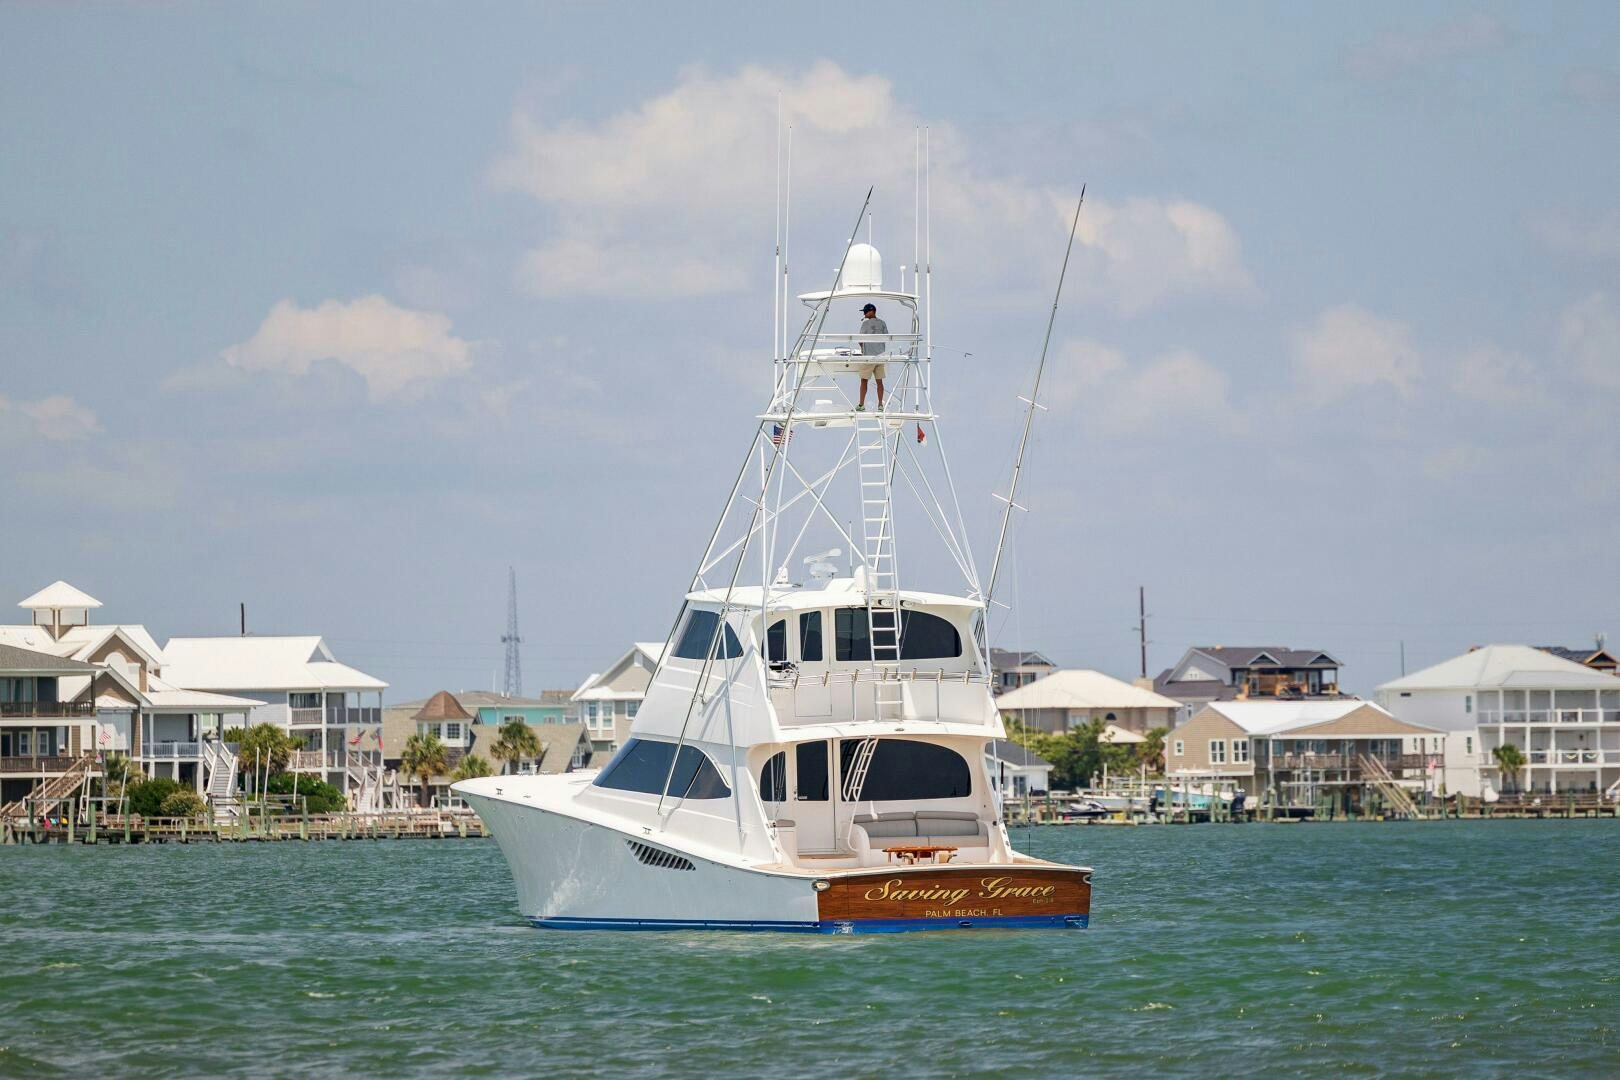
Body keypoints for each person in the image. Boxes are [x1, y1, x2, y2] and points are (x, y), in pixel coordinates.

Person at [856, 302, 887, 411]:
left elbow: (860, 340)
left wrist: (864, 349)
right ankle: (880, 405)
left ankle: (861, 404)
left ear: (871, 311)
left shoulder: (865, 324)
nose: (864, 314)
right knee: (879, 382)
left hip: (868, 357)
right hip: (880, 356)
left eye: (865, 311)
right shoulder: (882, 323)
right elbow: (886, 338)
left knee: (864, 380)